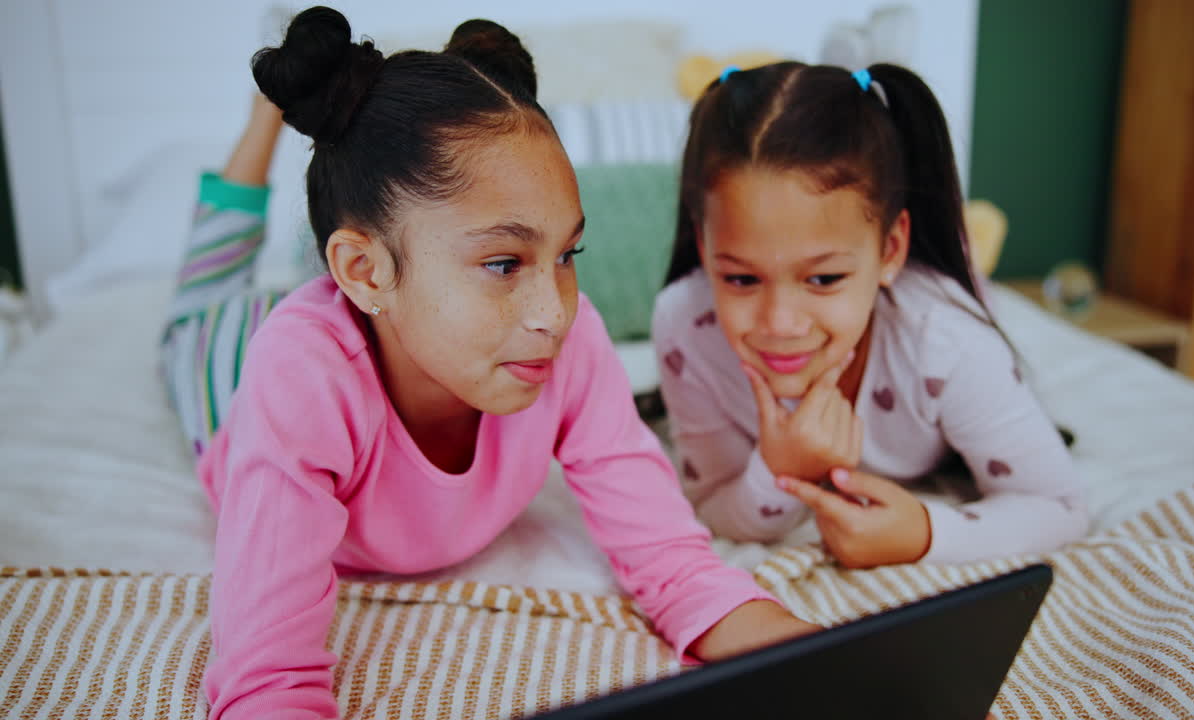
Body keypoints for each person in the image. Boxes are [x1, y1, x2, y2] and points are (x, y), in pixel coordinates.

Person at [161, 10, 816, 718]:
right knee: (205, 290)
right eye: (504, 263)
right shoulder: (297, 377)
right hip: (227, 359)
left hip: (370, 311)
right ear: (364, 270)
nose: (554, 312)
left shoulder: (566, 342)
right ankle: (266, 114)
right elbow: (266, 676)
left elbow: (675, 564)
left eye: (567, 256)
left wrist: (825, 662)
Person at [653, 62, 1087, 569]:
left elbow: (1061, 506)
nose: (781, 323)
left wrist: (925, 533)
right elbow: (711, 506)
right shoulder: (687, 326)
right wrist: (779, 471)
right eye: (742, 279)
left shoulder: (944, 339)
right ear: (704, 249)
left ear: (890, 250)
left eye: (823, 279)